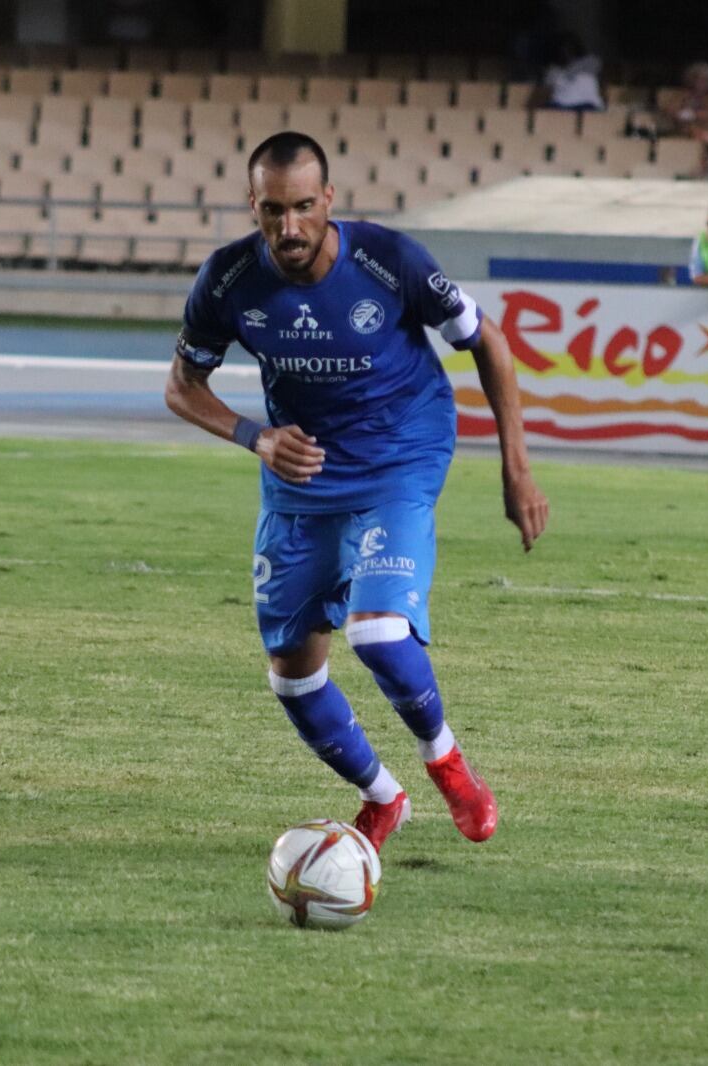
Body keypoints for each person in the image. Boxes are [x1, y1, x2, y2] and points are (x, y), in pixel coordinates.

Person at [163, 131, 549, 853]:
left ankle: (446, 763)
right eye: (272, 211)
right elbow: (182, 387)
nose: (289, 228)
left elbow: (486, 341)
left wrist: (515, 467)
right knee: (292, 678)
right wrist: (257, 437)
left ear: (329, 200)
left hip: (400, 449)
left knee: (376, 631)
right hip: (301, 470)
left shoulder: (389, 260)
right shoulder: (226, 281)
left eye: (304, 207)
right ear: (252, 205)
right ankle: (382, 796)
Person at [664, 62, 708, 173]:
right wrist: (688, 114)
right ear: (692, 80)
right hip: (686, 130)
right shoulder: (681, 96)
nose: (702, 83)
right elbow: (671, 112)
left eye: (706, 80)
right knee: (706, 137)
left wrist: (694, 114)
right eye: (700, 79)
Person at [533, 33, 605, 112]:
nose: (565, 51)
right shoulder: (553, 71)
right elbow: (544, 91)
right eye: (562, 48)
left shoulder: (591, 61)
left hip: (587, 106)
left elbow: (600, 85)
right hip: (561, 106)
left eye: (569, 47)